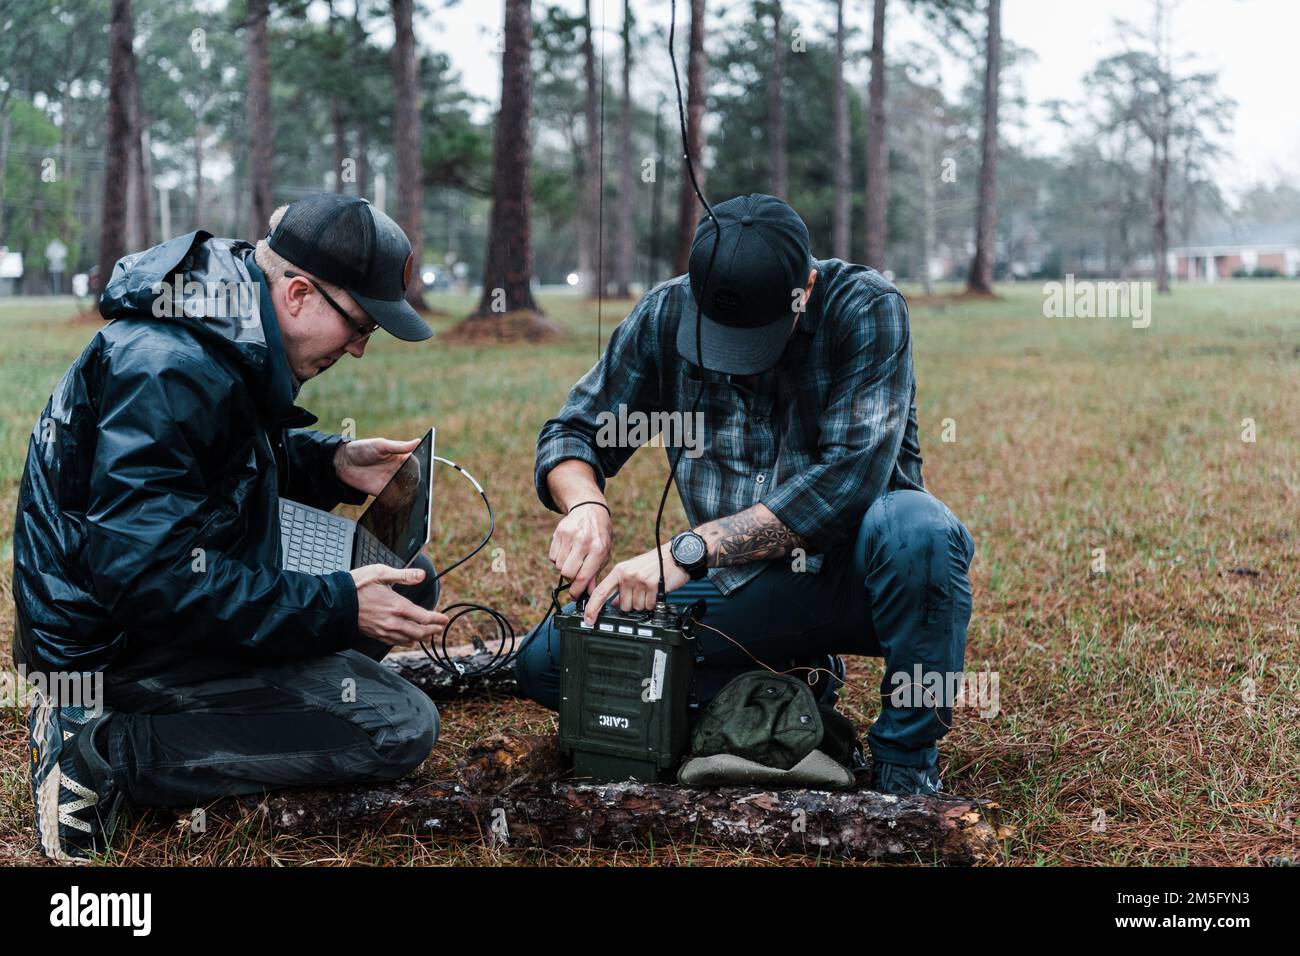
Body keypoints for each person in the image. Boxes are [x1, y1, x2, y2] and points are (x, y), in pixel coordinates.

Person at [13, 192, 447, 862]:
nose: (359, 350)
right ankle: (101, 749)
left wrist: (331, 463)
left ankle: (240, 709)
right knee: (397, 727)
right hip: (115, 646)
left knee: (408, 585)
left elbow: (215, 464)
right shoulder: (169, 366)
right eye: (360, 326)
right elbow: (147, 578)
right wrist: (334, 603)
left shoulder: (225, 320)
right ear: (299, 293)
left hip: (165, 592)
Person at [515, 193, 976, 796]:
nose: (738, 366)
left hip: (860, 576)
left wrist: (686, 552)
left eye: (754, 340)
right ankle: (786, 686)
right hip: (742, 582)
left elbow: (850, 480)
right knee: (551, 665)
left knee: (922, 533)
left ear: (804, 288)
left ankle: (905, 761)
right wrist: (585, 502)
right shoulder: (663, 314)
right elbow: (574, 432)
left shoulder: (866, 308)